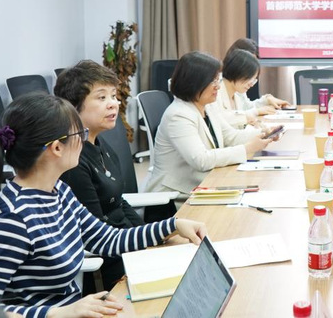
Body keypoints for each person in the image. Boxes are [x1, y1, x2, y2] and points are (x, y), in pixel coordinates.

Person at [0, 94, 206, 317]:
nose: (84, 141)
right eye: (79, 135)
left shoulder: (58, 191)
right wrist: (57, 313)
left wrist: (173, 225)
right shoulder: (12, 218)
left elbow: (107, 240)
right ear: (56, 148)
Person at [54, 60, 143, 289]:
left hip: (125, 246)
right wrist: (142, 244)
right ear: (73, 107)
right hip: (108, 265)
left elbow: (119, 203)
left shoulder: (101, 145)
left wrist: (149, 237)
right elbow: (96, 234)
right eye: (101, 97)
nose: (113, 104)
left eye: (113, 96)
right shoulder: (73, 163)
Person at [146, 51, 278, 199]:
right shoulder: (178, 115)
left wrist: (263, 134)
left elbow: (229, 136)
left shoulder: (207, 106)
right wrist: (247, 148)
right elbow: (201, 160)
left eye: (217, 80)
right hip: (174, 196)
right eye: (213, 81)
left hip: (202, 186)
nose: (218, 87)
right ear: (194, 82)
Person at [218, 48, 290, 128]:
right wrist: (256, 113)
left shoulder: (236, 94)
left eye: (254, 80)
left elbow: (243, 116)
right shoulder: (216, 93)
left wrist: (261, 129)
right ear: (237, 71)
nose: (251, 85)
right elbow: (224, 122)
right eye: (250, 78)